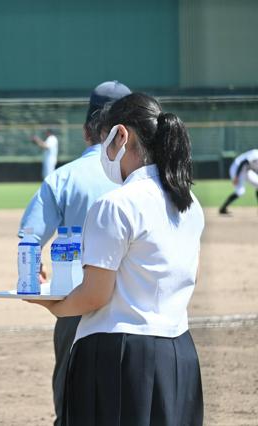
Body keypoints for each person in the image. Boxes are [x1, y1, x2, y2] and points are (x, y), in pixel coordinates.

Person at [29, 93, 205, 425]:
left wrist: (53, 305)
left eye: (106, 138)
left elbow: (95, 295)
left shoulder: (116, 204)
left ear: (122, 135)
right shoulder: (190, 202)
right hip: (179, 350)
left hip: (117, 354)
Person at [18, 80, 131, 425]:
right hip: (134, 309)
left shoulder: (62, 179)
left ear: (87, 131)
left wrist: (36, 270)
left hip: (75, 304)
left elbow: (30, 237)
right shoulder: (145, 179)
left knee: (72, 409)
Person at [219, 148, 258, 214]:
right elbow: (243, 162)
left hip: (246, 170)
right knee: (240, 191)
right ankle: (223, 208)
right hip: (236, 168)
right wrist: (236, 177)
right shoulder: (256, 154)